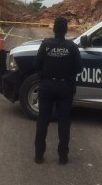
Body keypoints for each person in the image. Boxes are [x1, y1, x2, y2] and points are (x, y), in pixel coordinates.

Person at [33, 16, 82, 165]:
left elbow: (37, 65)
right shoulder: (72, 47)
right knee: (64, 123)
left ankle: (39, 156)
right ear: (66, 30)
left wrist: (44, 76)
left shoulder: (45, 45)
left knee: (42, 121)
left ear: (54, 29)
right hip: (65, 87)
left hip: (47, 86)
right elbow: (78, 68)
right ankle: (63, 157)